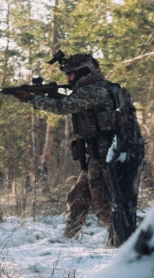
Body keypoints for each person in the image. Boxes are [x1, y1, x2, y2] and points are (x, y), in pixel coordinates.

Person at [12, 53, 143, 247]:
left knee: (104, 204)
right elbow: (72, 104)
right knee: (78, 198)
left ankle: (122, 243)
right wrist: (50, 94)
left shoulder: (94, 90)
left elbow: (63, 107)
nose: (68, 79)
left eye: (71, 74)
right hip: (96, 156)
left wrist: (32, 98)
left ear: (83, 72)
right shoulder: (97, 89)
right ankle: (68, 240)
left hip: (104, 157)